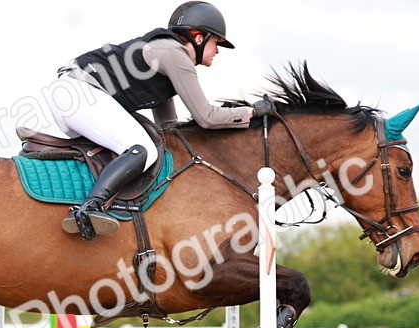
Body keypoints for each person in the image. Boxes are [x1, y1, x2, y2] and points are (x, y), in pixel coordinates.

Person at [51, 2, 269, 240]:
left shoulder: (166, 54)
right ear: (198, 38)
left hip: (73, 95)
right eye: (216, 43)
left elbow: (168, 127)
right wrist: (251, 112)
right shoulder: (174, 54)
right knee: (143, 149)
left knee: (142, 144)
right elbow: (206, 117)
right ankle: (91, 208)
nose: (217, 51)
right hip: (80, 95)